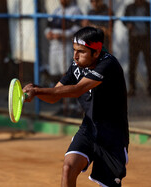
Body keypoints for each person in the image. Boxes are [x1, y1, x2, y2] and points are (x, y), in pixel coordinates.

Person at [23, 27, 129, 186]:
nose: (75, 55)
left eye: (81, 51)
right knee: (68, 168)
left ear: (96, 52)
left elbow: (77, 90)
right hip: (89, 128)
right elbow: (56, 95)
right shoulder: (76, 65)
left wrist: (37, 91)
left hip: (112, 135)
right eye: (74, 50)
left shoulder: (108, 64)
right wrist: (35, 91)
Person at [43, 0, 82, 85]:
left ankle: (68, 97)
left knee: (66, 73)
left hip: (66, 46)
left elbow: (77, 29)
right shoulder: (57, 10)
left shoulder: (75, 10)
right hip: (54, 46)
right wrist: (48, 33)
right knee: (54, 74)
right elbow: (48, 27)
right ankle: (58, 96)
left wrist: (61, 35)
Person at [123, 0, 151, 96]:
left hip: (146, 38)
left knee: (149, 63)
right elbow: (124, 19)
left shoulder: (148, 6)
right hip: (134, 38)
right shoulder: (130, 7)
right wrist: (128, 24)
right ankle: (132, 88)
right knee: (132, 63)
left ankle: (150, 88)